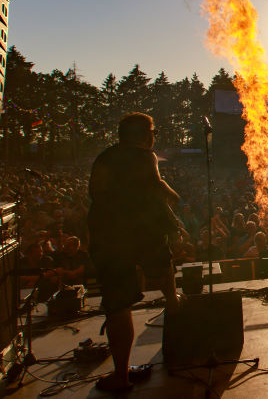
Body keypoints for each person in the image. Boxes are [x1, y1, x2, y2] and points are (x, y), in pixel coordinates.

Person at [87, 112, 182, 392]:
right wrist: (173, 197)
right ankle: (174, 307)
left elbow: (96, 194)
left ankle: (121, 376)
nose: (154, 137)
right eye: (152, 131)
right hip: (143, 230)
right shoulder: (144, 155)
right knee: (163, 269)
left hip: (109, 238)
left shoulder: (105, 158)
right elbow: (155, 185)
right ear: (142, 135)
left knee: (118, 306)